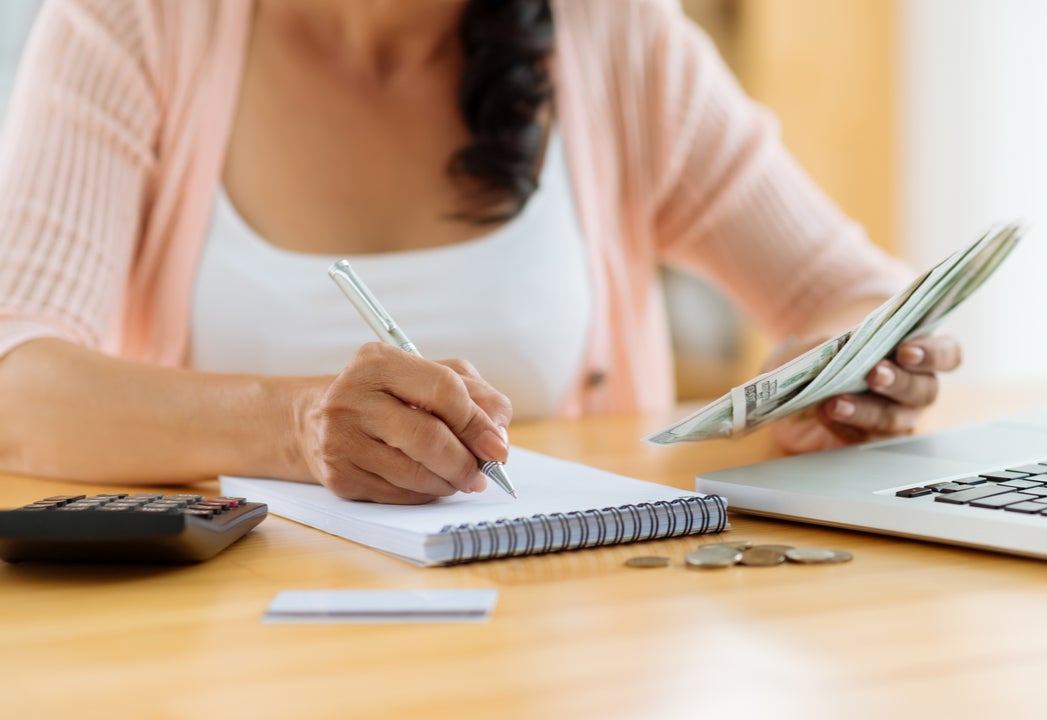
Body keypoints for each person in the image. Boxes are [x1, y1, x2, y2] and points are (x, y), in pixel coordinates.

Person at [0, 0, 960, 504]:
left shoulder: (612, 34)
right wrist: (293, 427)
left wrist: (847, 374)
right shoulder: (130, 25)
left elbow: (852, 291)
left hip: (565, 637)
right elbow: (17, 382)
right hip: (225, 643)